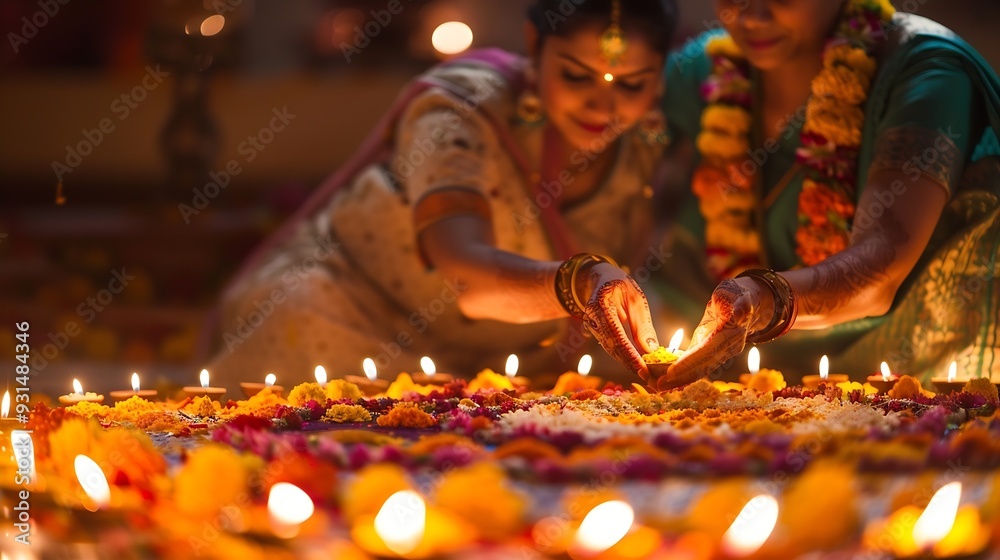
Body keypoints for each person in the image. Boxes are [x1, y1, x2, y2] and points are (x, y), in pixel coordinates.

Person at [203, 0, 678, 387]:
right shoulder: (462, 107)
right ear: (535, 45)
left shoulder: (642, 135)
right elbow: (466, 274)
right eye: (576, 75)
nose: (604, 102)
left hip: (516, 351)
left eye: (633, 84)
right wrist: (580, 282)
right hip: (358, 317)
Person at [644, 0, 1000, 389]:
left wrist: (766, 299)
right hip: (740, 387)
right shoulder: (702, 70)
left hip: (908, 387)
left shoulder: (928, 70)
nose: (751, 16)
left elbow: (879, 270)